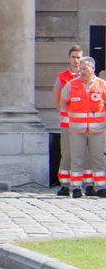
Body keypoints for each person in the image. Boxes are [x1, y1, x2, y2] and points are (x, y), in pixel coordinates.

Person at [58, 55, 106, 198]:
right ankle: (76, 187)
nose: (82, 71)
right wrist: (69, 119)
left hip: (97, 130)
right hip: (77, 130)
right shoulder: (71, 85)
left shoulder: (102, 85)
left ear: (93, 69)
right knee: (76, 159)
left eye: (86, 68)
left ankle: (100, 187)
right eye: (81, 68)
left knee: (98, 159)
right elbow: (63, 103)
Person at [53, 45, 84, 196]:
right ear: (69, 58)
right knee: (67, 154)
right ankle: (65, 184)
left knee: (86, 154)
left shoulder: (88, 77)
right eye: (74, 57)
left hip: (86, 124)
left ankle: (87, 184)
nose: (76, 60)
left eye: (79, 57)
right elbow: (57, 101)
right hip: (68, 123)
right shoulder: (62, 76)